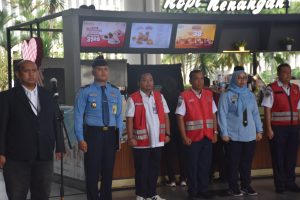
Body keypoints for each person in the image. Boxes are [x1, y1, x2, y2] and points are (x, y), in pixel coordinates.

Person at [0, 60, 65, 200]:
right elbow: (1, 126)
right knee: (17, 195)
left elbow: (56, 121)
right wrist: (1, 152)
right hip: (16, 157)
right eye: (26, 71)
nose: (31, 74)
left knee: (42, 195)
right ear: (18, 74)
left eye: (34, 70)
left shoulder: (48, 95)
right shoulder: (7, 97)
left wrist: (60, 146)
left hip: (44, 155)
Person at [74, 55, 123, 200]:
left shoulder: (115, 91)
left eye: (106, 69)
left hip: (110, 136)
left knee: (108, 172)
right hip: (93, 135)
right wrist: (80, 138)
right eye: (100, 69)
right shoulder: (85, 91)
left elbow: (119, 116)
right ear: (93, 72)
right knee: (92, 172)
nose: (103, 72)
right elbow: (78, 116)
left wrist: (118, 137)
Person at [218, 66, 263, 196]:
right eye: (239, 78)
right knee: (233, 163)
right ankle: (233, 187)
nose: (242, 81)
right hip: (233, 136)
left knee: (246, 163)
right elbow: (222, 114)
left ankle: (246, 186)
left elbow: (255, 114)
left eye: (244, 78)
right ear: (233, 79)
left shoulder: (250, 95)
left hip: (249, 135)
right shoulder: (226, 95)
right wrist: (224, 133)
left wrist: (259, 130)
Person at [126, 73, 170, 200]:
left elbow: (166, 116)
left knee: (154, 169)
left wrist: (167, 133)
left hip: (158, 141)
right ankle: (141, 195)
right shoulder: (133, 98)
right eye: (145, 80)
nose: (148, 83)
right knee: (141, 170)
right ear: (139, 83)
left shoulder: (159, 96)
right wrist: (130, 138)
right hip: (141, 142)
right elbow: (129, 119)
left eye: (150, 80)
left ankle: (152, 194)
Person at [176, 70, 218, 200]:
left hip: (207, 137)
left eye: (201, 79)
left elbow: (213, 114)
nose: (200, 81)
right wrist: (184, 136)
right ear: (190, 81)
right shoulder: (184, 96)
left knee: (205, 166)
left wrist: (215, 132)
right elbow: (179, 117)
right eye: (196, 79)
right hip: (192, 138)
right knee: (192, 166)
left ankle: (203, 190)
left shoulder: (209, 94)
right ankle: (193, 191)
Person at [262, 63, 300, 193]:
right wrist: (268, 129)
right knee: (278, 157)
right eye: (284, 72)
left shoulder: (296, 88)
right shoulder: (271, 88)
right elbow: (267, 109)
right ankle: (280, 185)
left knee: (291, 157)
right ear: (278, 74)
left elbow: (298, 109)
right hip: (278, 129)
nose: (288, 74)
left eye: (289, 72)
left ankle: (290, 182)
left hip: (294, 129)